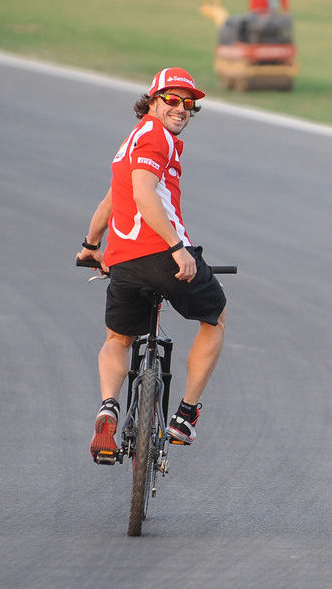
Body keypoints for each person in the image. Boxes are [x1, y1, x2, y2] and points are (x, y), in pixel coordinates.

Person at [75, 67, 228, 463]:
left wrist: (91, 246)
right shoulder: (156, 139)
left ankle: (109, 406)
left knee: (117, 339)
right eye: (172, 100)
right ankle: (185, 416)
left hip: (123, 262)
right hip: (164, 255)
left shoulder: (129, 143)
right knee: (216, 317)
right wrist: (177, 248)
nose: (181, 109)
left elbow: (111, 201)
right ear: (152, 101)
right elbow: (144, 194)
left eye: (189, 103)